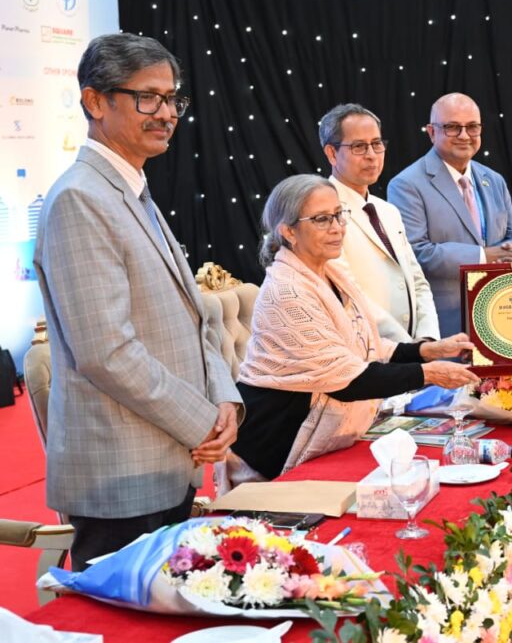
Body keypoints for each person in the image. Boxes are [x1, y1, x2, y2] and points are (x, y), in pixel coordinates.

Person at [33, 34, 241, 571]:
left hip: (170, 460)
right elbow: (106, 351)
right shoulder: (80, 198)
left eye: (172, 99)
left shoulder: (132, 190)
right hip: (121, 473)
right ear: (95, 101)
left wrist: (223, 400)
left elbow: (195, 318)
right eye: (148, 97)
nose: (166, 113)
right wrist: (201, 422)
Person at [219, 174, 478, 488]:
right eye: (321, 219)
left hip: (321, 437)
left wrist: (427, 351)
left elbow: (364, 345)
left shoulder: (329, 272)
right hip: (272, 447)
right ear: (289, 231)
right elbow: (345, 379)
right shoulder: (287, 291)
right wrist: (429, 374)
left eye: (339, 215)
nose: (337, 227)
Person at [388, 92, 512, 337]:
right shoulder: (406, 184)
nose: (464, 135)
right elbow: (416, 252)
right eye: (452, 127)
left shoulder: (494, 179)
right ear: (431, 132)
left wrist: (510, 255)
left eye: (472, 127)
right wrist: (483, 257)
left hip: (500, 316)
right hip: (444, 325)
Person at [319, 102, 440, 342]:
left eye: (376, 144)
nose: (371, 155)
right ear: (332, 153)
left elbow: (417, 282)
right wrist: (410, 349)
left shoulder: (388, 211)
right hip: (365, 351)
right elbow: (349, 294)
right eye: (359, 146)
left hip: (414, 352)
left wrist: (427, 338)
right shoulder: (321, 214)